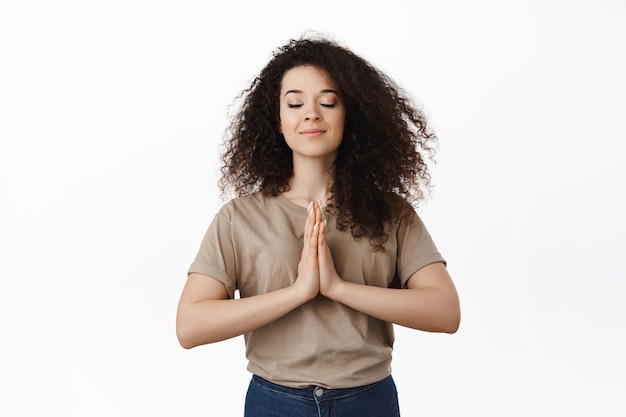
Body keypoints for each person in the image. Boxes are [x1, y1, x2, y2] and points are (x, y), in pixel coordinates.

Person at [176, 34, 460, 417]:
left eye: (328, 102)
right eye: (295, 103)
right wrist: (298, 292)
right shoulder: (239, 217)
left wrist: (338, 288)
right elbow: (190, 326)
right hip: (274, 402)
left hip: (369, 401)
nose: (311, 113)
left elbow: (445, 312)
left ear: (351, 114)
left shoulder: (391, 213)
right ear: (277, 120)